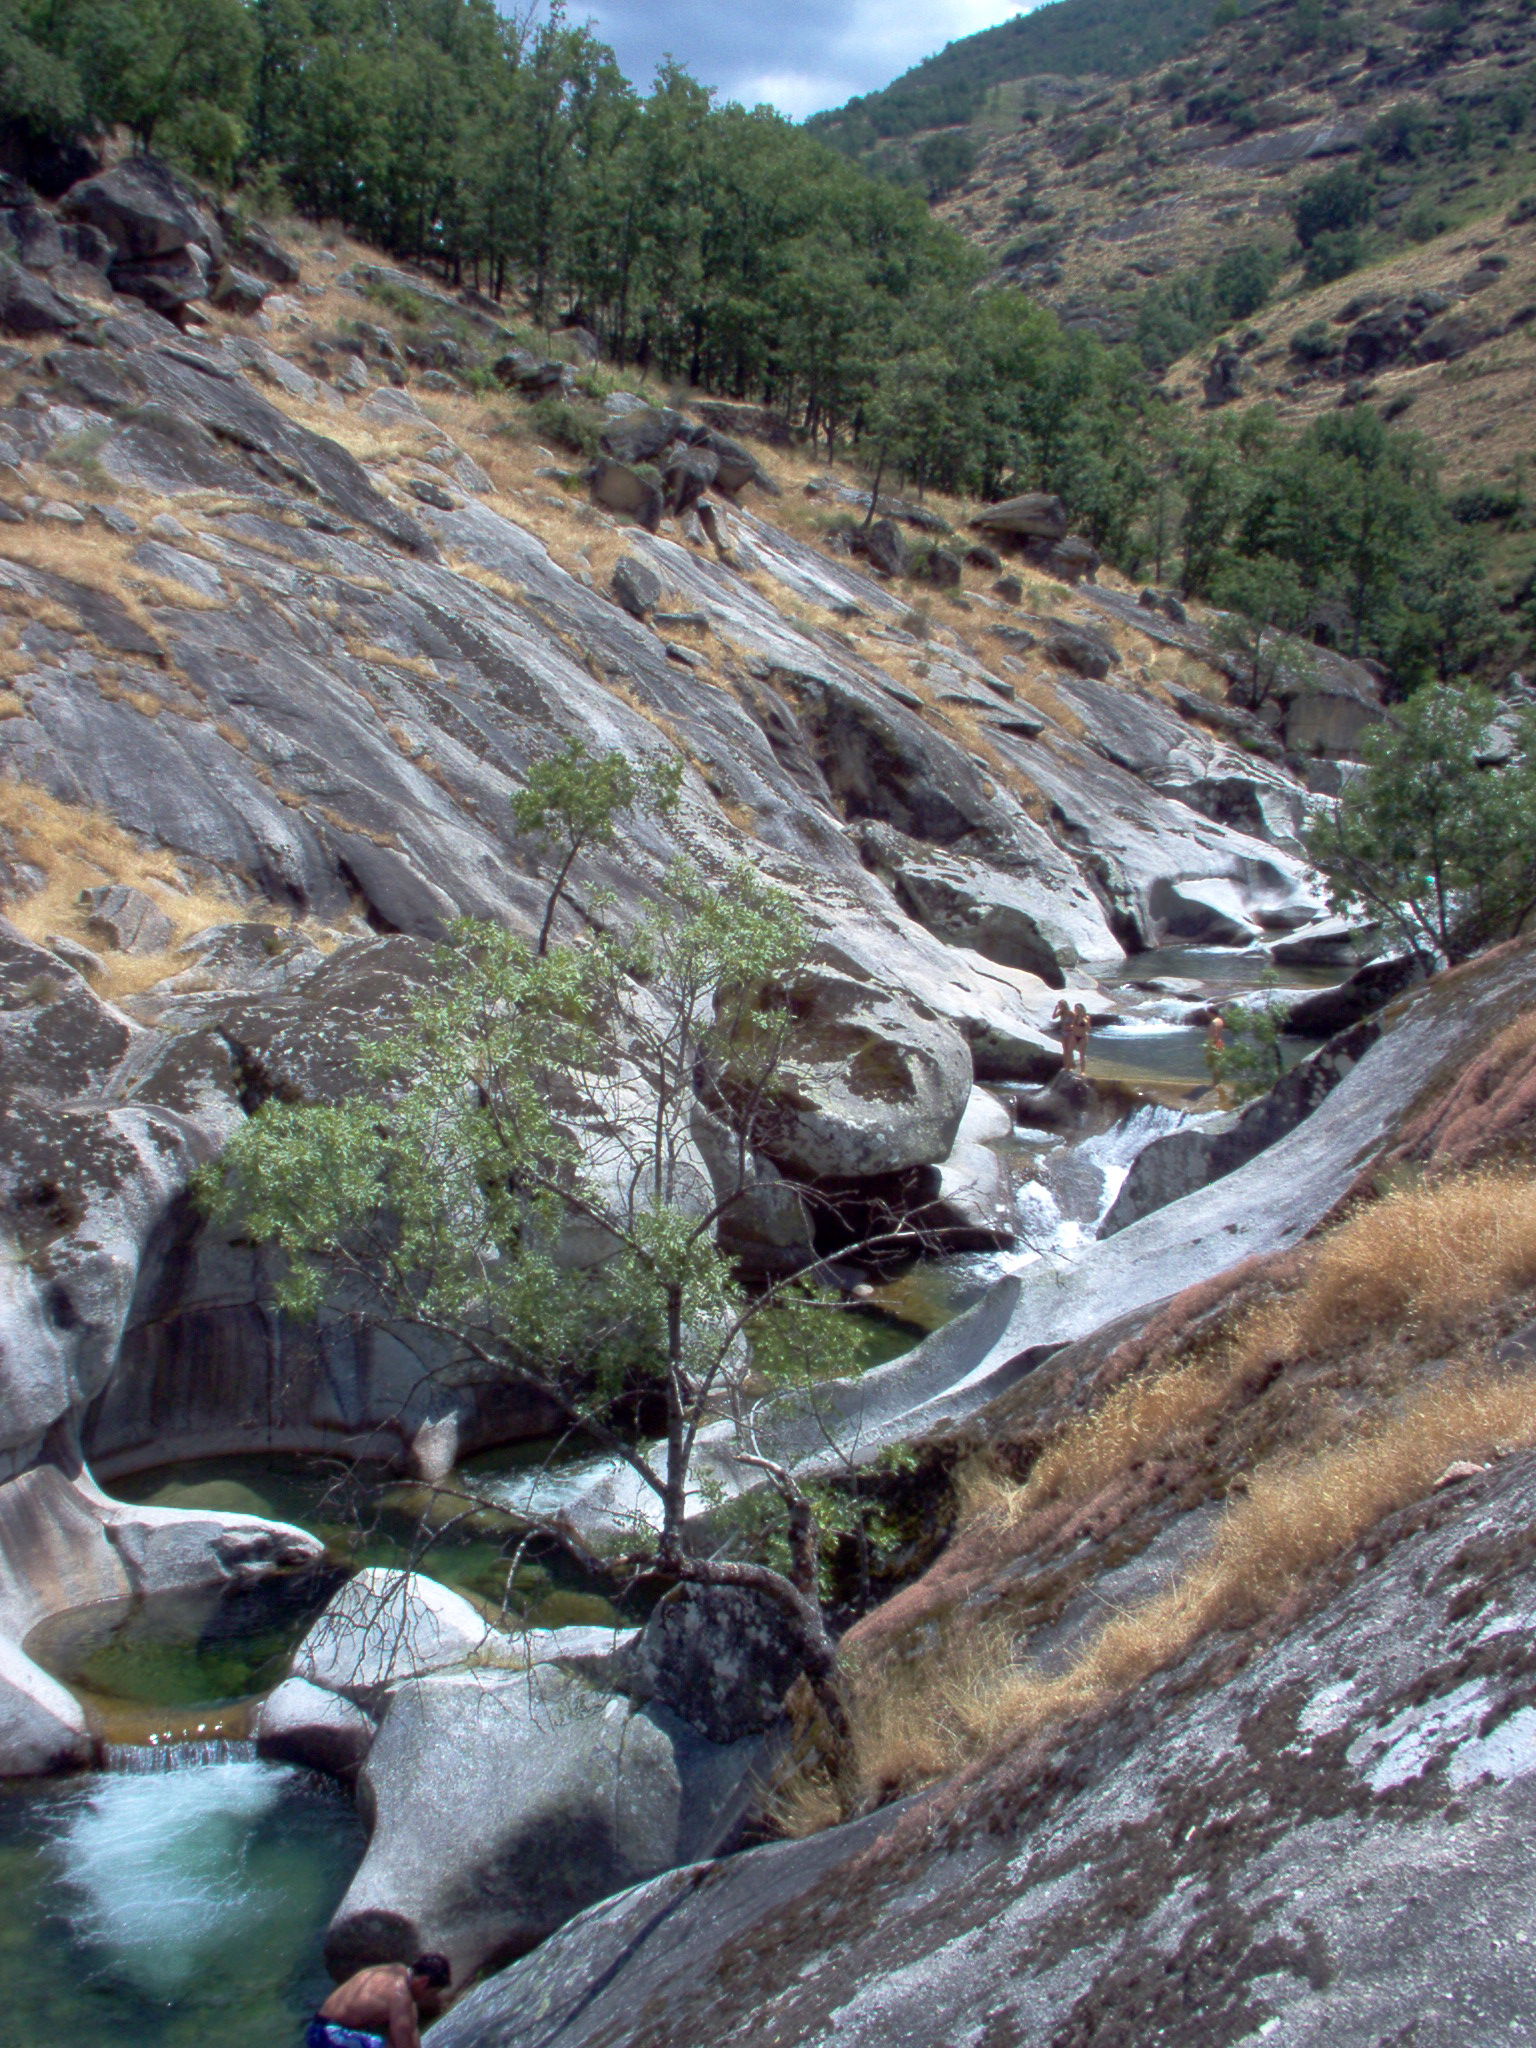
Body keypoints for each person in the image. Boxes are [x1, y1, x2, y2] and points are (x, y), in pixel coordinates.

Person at [308, 1955, 452, 2048]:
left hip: (319, 2031)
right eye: (432, 1992)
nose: (427, 1997)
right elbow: (402, 2041)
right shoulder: (400, 1994)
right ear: (423, 1981)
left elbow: (410, 2030)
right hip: (329, 2035)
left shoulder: (395, 1969)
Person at [1071, 1002, 1091, 1073]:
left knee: (1082, 1054)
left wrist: (1083, 1021)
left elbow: (1088, 1028)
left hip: (1083, 1037)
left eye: (1078, 1008)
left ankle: (1083, 1071)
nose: (1076, 1010)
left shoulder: (1086, 1017)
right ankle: (1072, 1066)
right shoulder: (1074, 1016)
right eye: (1075, 1008)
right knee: (1070, 1051)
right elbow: (1071, 1025)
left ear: (1082, 1009)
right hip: (1075, 1036)